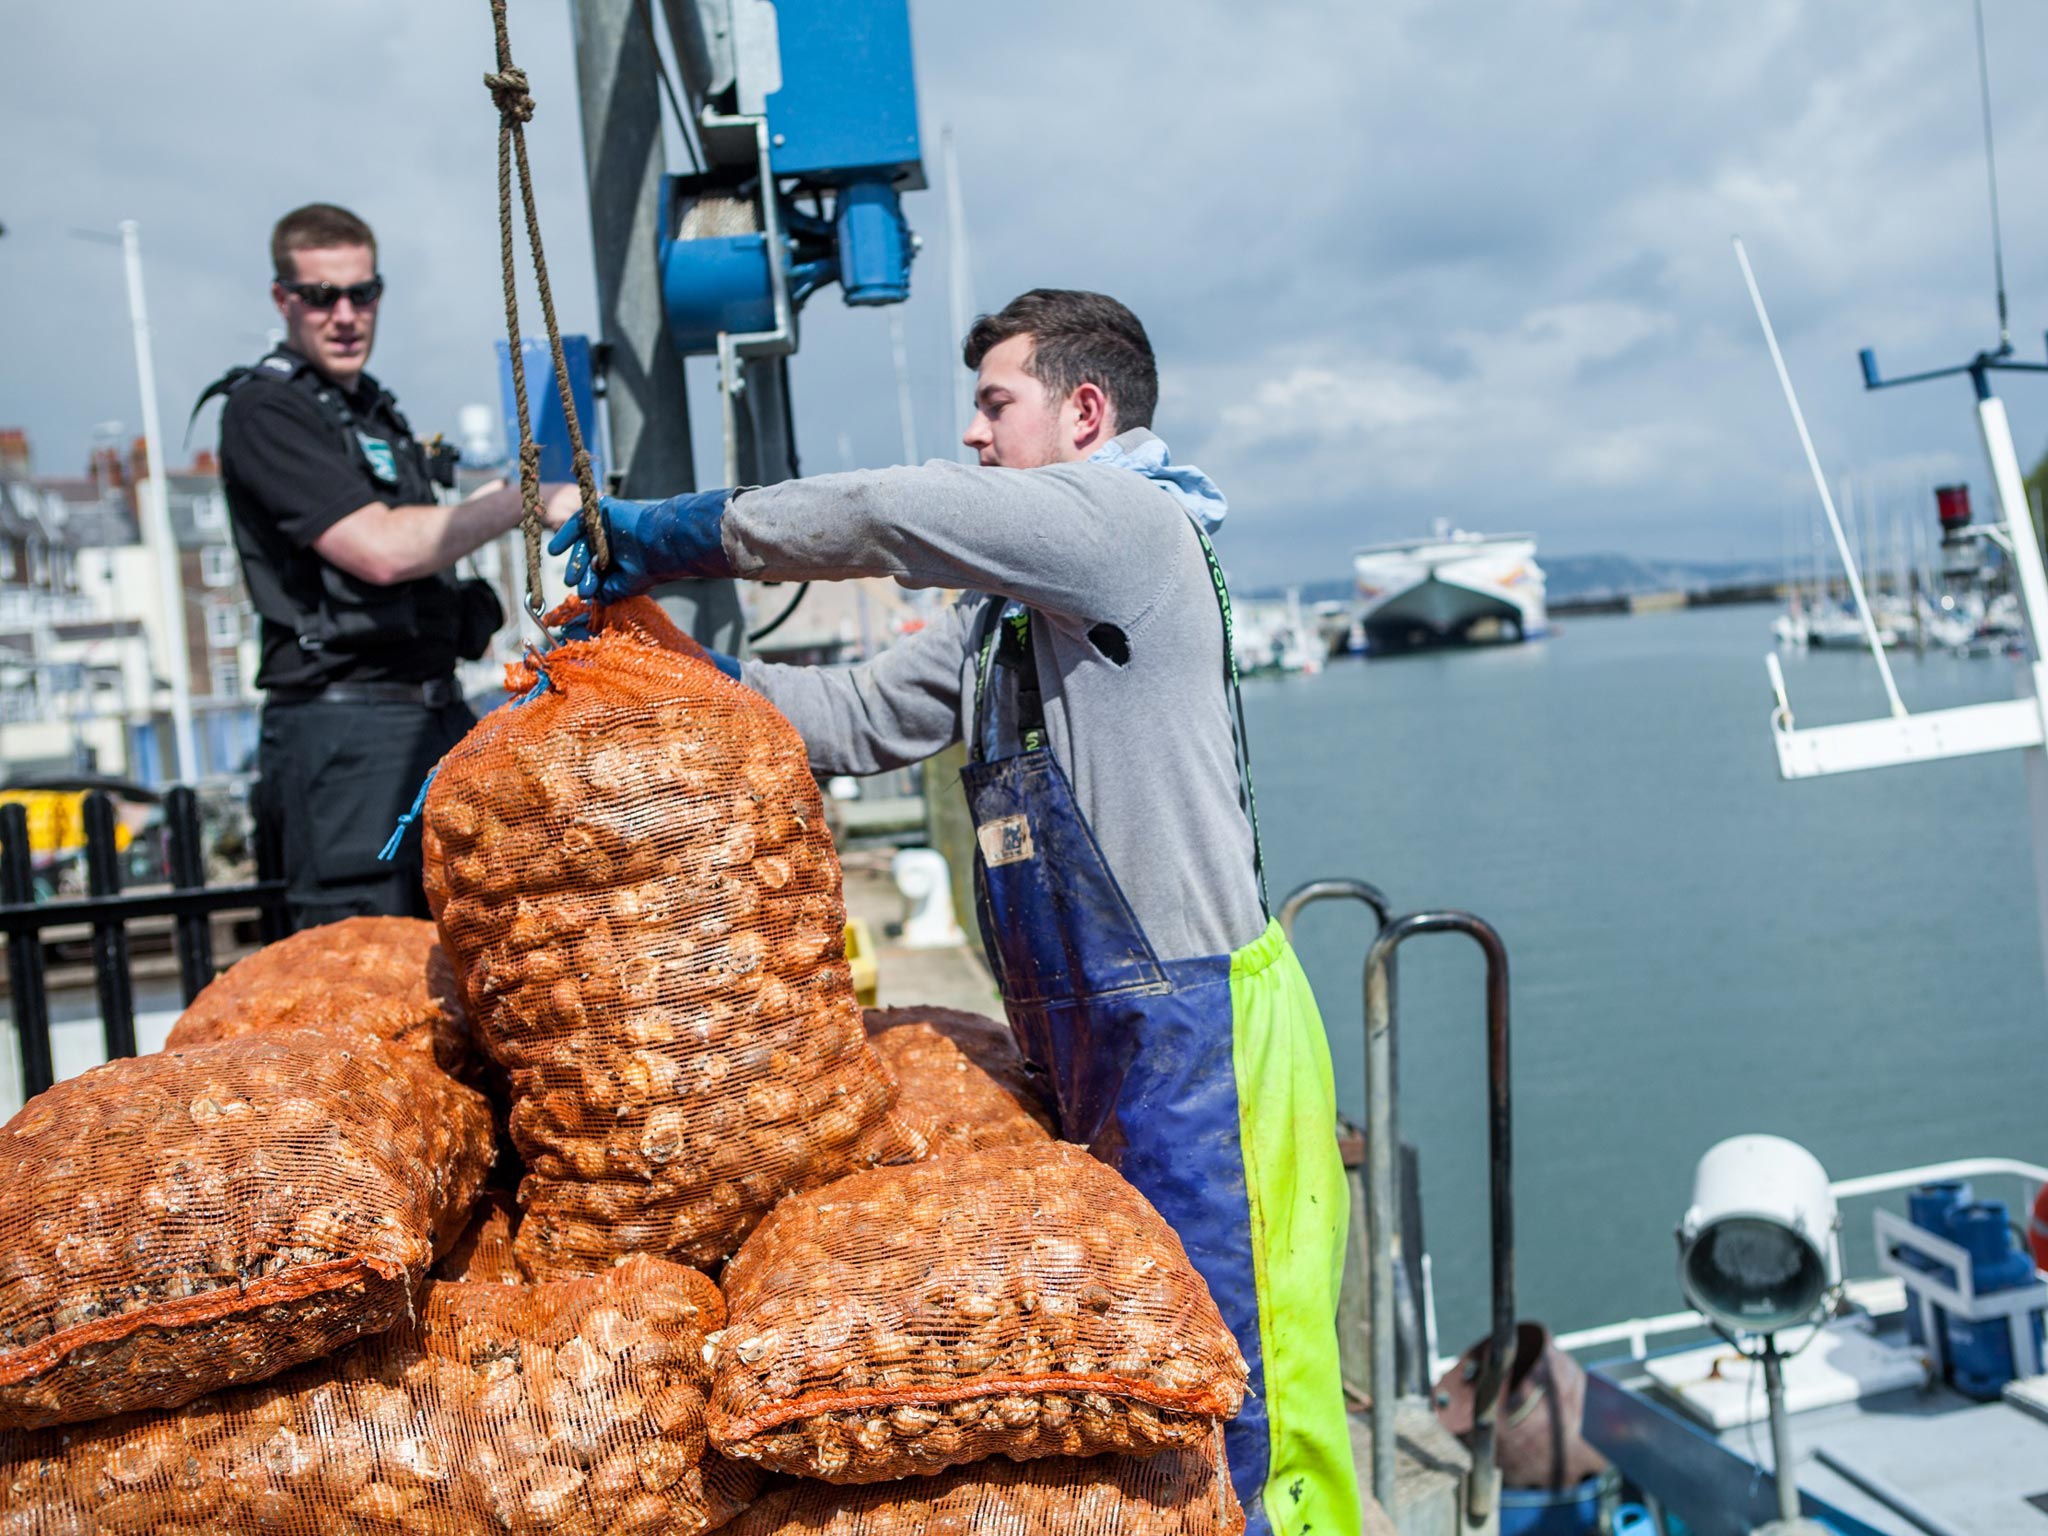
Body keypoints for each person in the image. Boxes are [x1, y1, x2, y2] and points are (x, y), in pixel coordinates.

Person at [552, 289, 1361, 1536]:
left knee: (1242, 1401)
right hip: (1093, 1053)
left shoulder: (1129, 526)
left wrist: (688, 532)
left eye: (996, 405)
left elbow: (889, 515)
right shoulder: (1004, 622)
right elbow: (857, 721)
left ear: (1084, 413)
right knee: (1137, 1396)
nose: (975, 438)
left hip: (1201, 1046)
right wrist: (660, 659)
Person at [197, 202, 576, 929]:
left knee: (480, 935)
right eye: (320, 296)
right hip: (345, 737)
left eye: (362, 293)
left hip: (429, 710)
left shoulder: (370, 411)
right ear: (284, 300)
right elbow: (379, 550)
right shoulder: (265, 413)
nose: (345, 314)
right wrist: (528, 500)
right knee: (361, 969)